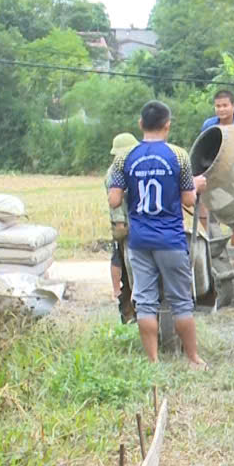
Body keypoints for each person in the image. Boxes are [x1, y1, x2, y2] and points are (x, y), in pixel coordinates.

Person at [108, 100, 207, 369]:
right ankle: (193, 359)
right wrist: (195, 185)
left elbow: (114, 199)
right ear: (167, 125)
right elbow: (188, 198)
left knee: (146, 301)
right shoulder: (178, 156)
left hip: (139, 241)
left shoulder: (123, 158)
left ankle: (152, 361)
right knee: (181, 302)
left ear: (141, 124)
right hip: (171, 240)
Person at [198, 89, 234, 248]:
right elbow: (202, 147)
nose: (221, 109)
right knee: (205, 215)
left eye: (225, 105)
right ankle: (206, 249)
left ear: (233, 106)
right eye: (218, 106)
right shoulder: (209, 125)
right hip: (211, 174)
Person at [106, 132, 139, 323]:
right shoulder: (114, 173)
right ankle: (128, 311)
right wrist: (120, 225)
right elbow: (115, 203)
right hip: (125, 225)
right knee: (124, 264)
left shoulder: (132, 167)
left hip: (134, 223)